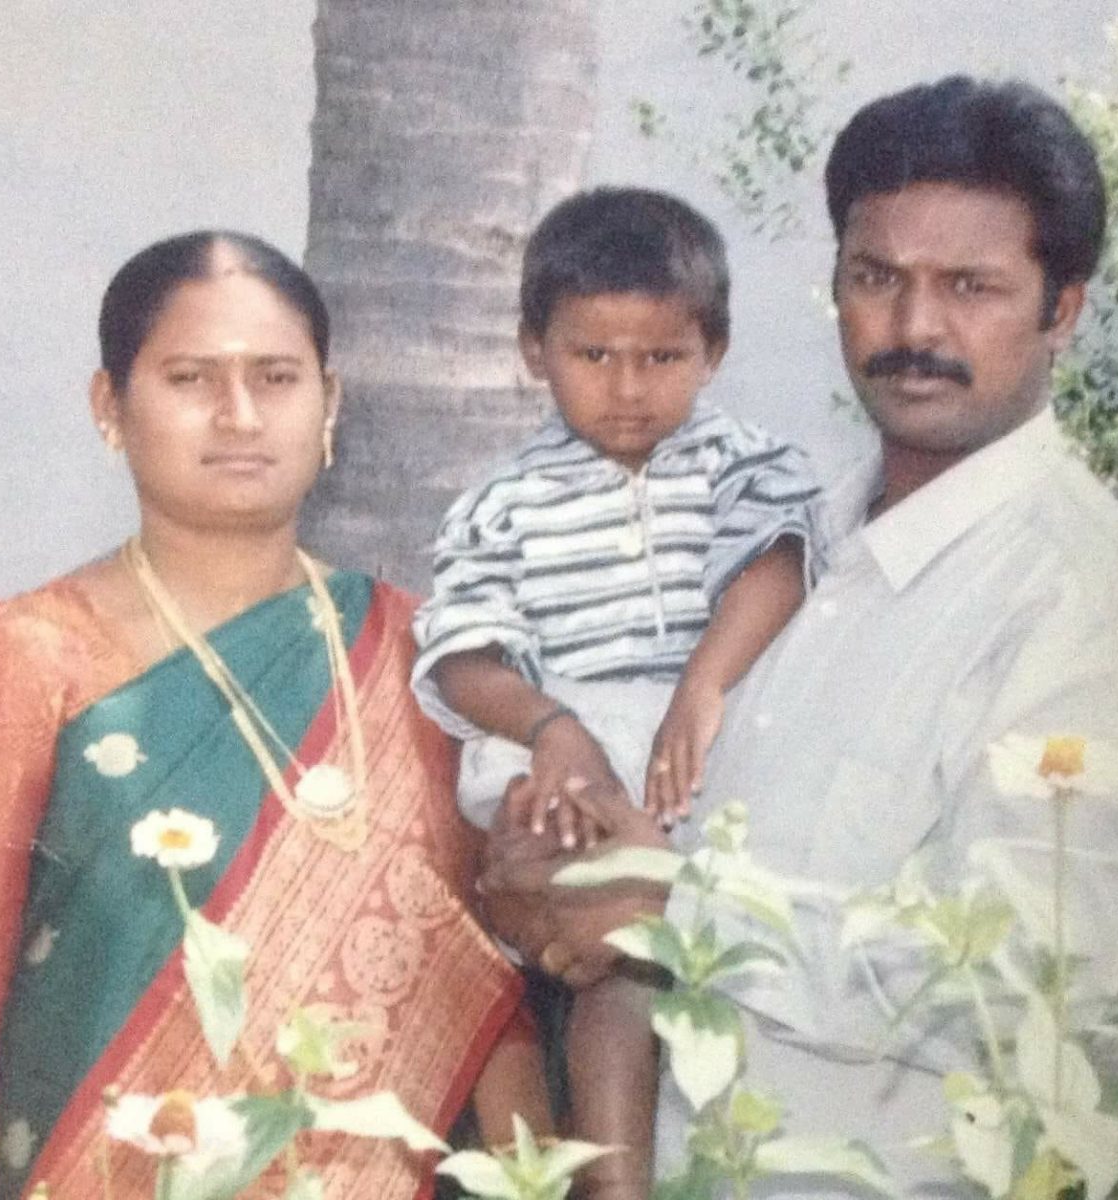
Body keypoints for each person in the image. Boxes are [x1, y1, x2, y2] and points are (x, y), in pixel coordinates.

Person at [480, 77, 1118, 1199]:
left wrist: (672, 911)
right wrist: (557, 876)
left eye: (970, 287)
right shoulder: (782, 552)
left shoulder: (1101, 603)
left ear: (1062, 309)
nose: (914, 329)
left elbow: (1040, 995)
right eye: (875, 278)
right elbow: (654, 863)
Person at [0, 231, 548, 1200]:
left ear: (330, 402)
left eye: (276, 378)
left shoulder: (424, 660)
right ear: (109, 406)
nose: (239, 416)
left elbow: (482, 996)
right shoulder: (30, 656)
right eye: (190, 378)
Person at [411, 188, 818, 1197]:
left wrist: (703, 685)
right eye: (592, 355)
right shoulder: (502, 502)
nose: (627, 388)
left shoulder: (745, 463)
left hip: (700, 742)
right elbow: (463, 657)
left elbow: (777, 567)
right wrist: (553, 728)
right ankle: (612, 1185)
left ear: (713, 350)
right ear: (533, 350)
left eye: (662, 357)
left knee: (683, 946)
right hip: (563, 755)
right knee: (610, 959)